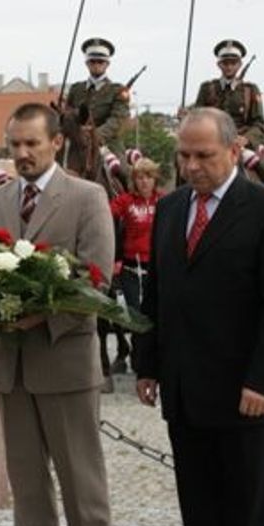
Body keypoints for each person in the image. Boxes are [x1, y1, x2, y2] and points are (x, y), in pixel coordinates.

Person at [135, 107, 264, 526]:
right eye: (183, 155)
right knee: (198, 495)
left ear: (233, 151)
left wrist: (263, 380)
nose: (191, 167)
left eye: (203, 156)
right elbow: (157, 292)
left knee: (246, 498)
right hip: (184, 384)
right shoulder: (170, 208)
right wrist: (146, 363)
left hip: (243, 387)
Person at [0, 102, 115, 526]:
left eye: (32, 143)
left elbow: (96, 279)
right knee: (27, 477)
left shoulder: (86, 197)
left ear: (56, 142)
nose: (22, 153)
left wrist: (39, 317)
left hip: (64, 358)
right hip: (11, 363)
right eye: (14, 144)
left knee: (80, 477)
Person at [109, 155, 163, 370]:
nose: (144, 181)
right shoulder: (126, 201)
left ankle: (155, 358)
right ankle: (139, 359)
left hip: (157, 268)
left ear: (155, 179)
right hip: (131, 268)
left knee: (155, 314)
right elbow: (104, 213)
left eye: (148, 177)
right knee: (135, 315)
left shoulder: (164, 201)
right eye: (139, 177)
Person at [64, 37, 130, 154]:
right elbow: (68, 115)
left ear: (107, 64)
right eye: (92, 61)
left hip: (108, 146)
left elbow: (117, 120)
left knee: (119, 166)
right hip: (78, 145)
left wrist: (94, 136)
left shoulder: (118, 91)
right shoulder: (76, 89)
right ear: (87, 63)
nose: (96, 65)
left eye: (100, 61)